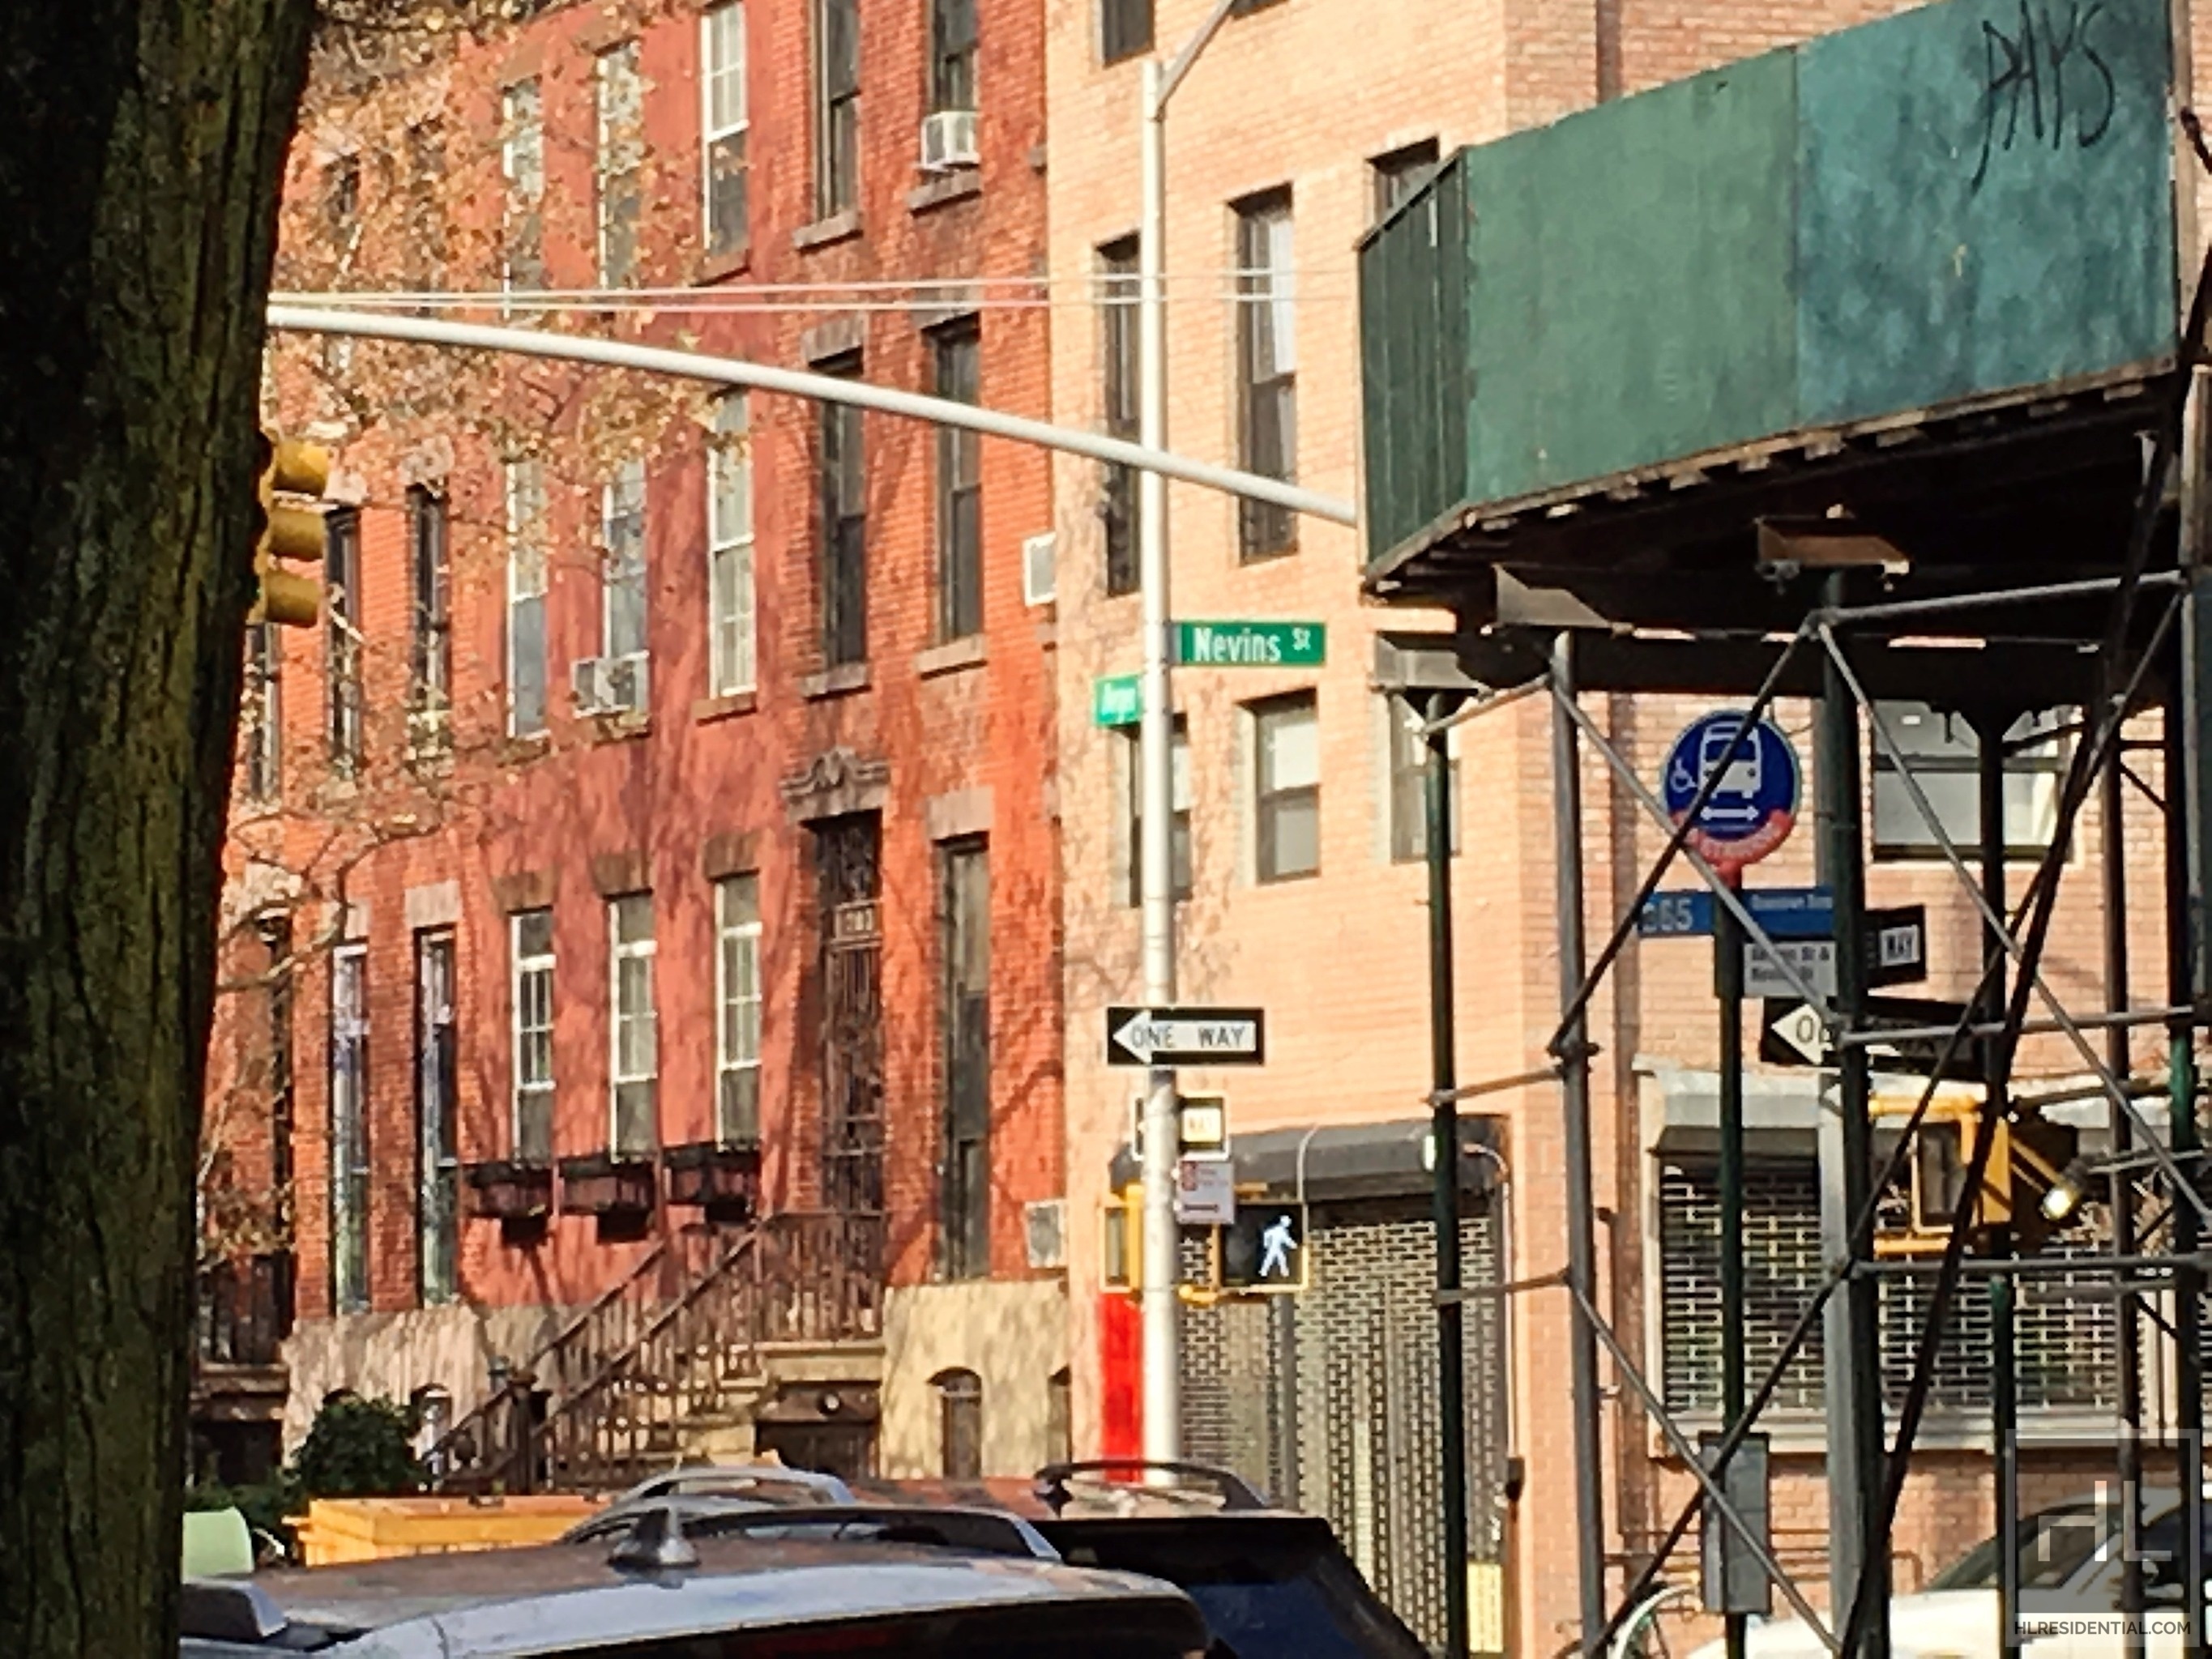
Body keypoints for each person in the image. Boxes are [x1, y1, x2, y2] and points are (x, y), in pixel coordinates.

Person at [1258, 1213, 1296, 1279]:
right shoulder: (1280, 1230)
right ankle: (1264, 1272)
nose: (1288, 1224)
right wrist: (1292, 1245)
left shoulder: (1281, 1230)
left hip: (1276, 1247)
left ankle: (1283, 1272)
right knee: (1272, 1259)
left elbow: (1286, 1240)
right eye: (1288, 1222)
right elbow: (1286, 1240)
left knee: (1279, 1259)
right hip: (1274, 1247)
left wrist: (1266, 1243)